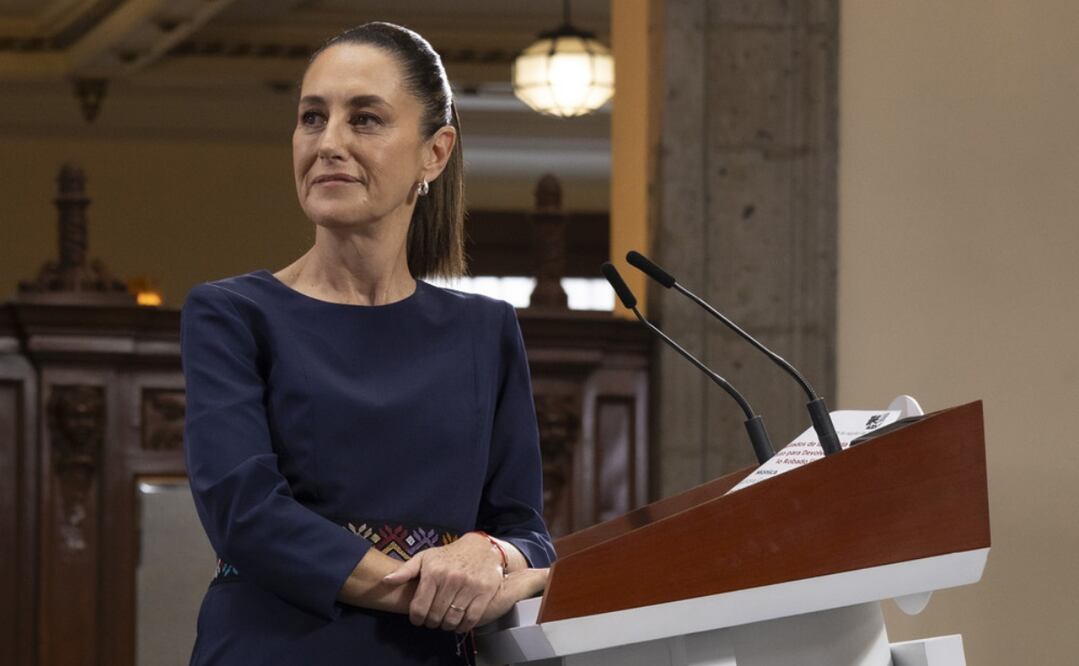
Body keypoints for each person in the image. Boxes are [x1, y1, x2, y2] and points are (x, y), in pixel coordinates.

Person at [180, 21, 554, 665]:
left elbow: (525, 531)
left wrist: (490, 553)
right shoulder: (233, 313)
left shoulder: (485, 329)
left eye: (365, 119)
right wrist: (438, 590)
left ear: (434, 153)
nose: (329, 143)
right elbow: (246, 515)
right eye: (312, 117)